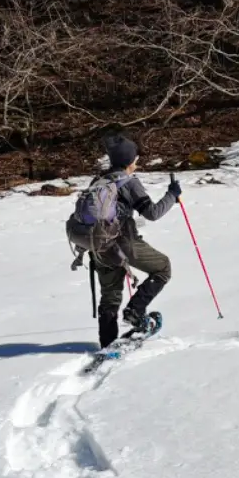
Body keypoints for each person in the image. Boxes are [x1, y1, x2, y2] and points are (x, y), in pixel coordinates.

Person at [90, 135, 180, 348]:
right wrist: (172, 195)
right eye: (136, 158)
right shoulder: (128, 182)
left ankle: (107, 344)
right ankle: (135, 311)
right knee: (163, 267)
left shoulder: (98, 181)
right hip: (124, 242)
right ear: (130, 161)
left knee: (110, 296)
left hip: (98, 245)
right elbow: (152, 213)